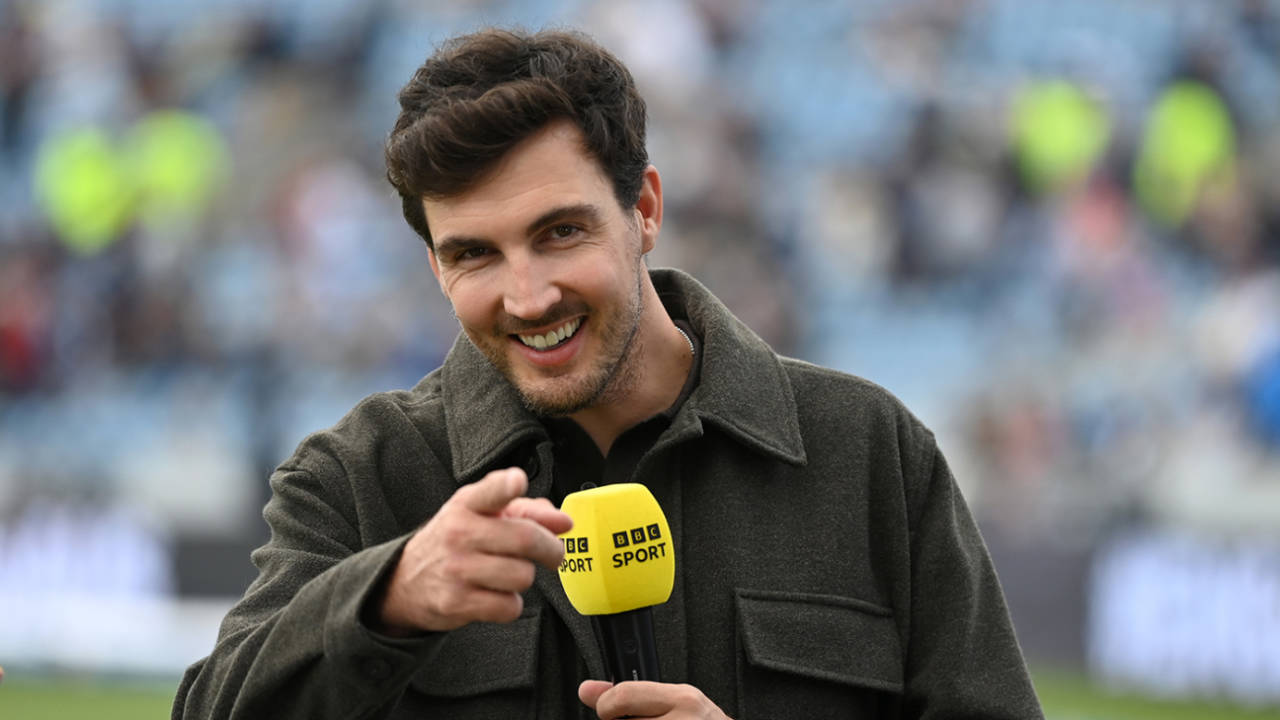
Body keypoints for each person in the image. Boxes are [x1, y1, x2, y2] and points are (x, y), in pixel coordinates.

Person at [173, 28, 1043, 720]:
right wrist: (391, 598)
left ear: (647, 211)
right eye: (474, 254)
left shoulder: (867, 453)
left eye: (561, 232)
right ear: (436, 268)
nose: (528, 294)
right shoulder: (359, 478)